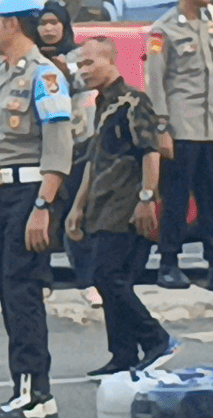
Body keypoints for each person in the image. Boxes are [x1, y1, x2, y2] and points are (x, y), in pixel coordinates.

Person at [0, 0, 73, 418]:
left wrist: (43, 207)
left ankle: (30, 394)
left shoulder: (44, 76)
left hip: (32, 193)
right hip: (3, 193)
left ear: (12, 25)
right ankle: (35, 393)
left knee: (24, 293)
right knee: (11, 294)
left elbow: (58, 145)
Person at [65, 38, 176, 376]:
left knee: (108, 276)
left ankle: (156, 338)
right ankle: (123, 354)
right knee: (109, 280)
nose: (84, 71)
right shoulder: (101, 104)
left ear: (111, 61)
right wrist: (77, 206)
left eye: (90, 63)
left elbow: (151, 152)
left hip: (126, 203)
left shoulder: (132, 101)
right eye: (81, 65)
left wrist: (146, 198)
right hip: (102, 202)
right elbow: (94, 160)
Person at [145, 0, 213, 292]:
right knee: (177, 200)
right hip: (181, 129)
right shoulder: (164, 30)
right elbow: (155, 82)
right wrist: (161, 128)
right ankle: (168, 263)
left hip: (211, 129)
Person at [37, 1, 97, 305]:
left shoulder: (78, 55)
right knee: (45, 212)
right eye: (43, 23)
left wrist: (67, 74)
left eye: (54, 23)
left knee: (78, 214)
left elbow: (88, 84)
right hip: (42, 148)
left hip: (77, 145)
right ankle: (43, 279)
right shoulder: (31, 57)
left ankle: (87, 281)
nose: (48, 29)